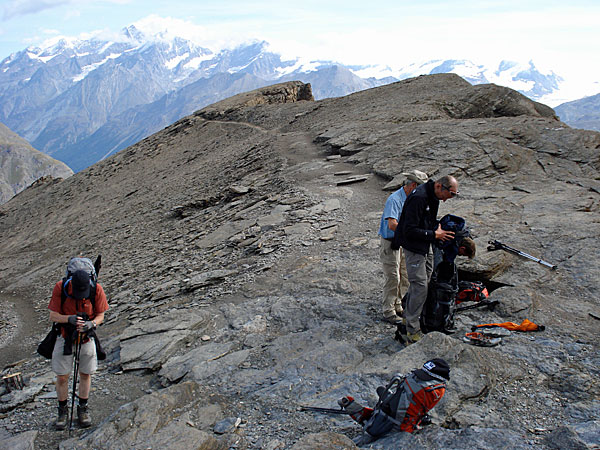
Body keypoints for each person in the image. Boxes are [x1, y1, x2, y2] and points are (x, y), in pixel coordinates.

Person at [396, 175, 459, 343]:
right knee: (420, 286)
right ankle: (412, 330)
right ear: (440, 186)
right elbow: (408, 230)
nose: (448, 199)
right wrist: (434, 234)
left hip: (426, 245)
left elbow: (427, 221)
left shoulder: (433, 197)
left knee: (427, 280)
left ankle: (408, 315)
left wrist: (436, 228)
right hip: (414, 247)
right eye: (450, 194)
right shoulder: (419, 198)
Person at [48, 267, 108, 430]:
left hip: (86, 337)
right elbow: (53, 316)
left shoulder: (96, 289)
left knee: (85, 373)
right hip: (64, 335)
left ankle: (83, 408)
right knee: (62, 376)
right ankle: (62, 411)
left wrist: (91, 323)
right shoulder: (60, 287)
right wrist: (69, 319)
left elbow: (101, 315)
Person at [339, 358, 450, 446]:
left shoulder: (426, 387)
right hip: (398, 426)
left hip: (386, 417)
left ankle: (357, 412)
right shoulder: (433, 390)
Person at [378, 169, 428, 324]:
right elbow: (392, 224)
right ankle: (388, 310)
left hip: (403, 241)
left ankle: (398, 304)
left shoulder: (412, 198)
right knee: (393, 276)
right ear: (413, 185)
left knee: (404, 275)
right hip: (392, 241)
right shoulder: (395, 199)